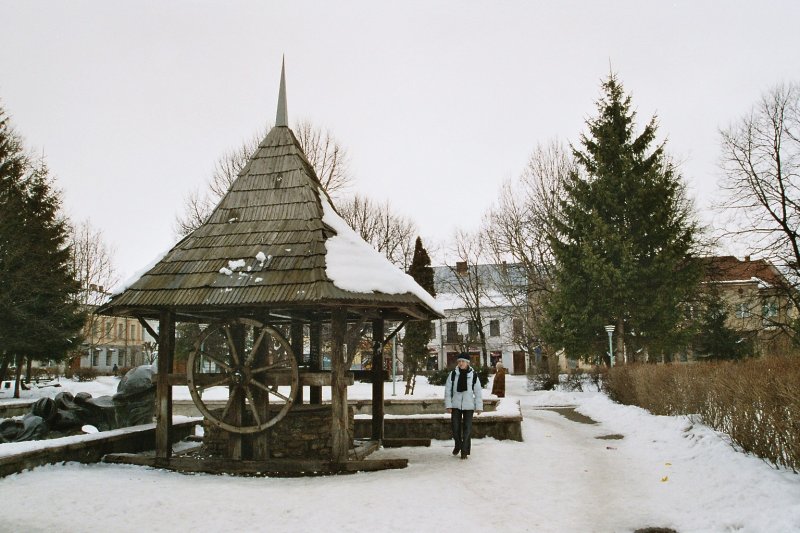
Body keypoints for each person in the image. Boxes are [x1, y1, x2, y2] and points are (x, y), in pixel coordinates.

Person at [444, 353, 483, 459]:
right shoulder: (453, 374)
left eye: (463, 361)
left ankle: (464, 451)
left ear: (467, 363)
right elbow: (448, 391)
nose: (461, 363)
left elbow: (478, 392)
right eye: (459, 361)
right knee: (455, 428)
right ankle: (458, 445)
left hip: (469, 406)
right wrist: (448, 405)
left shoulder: (473, 375)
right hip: (455, 405)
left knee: (467, 429)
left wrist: (479, 407)